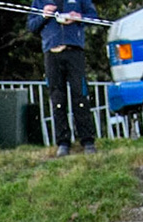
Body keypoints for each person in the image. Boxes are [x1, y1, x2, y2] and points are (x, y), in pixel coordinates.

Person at [30, 0, 99, 156]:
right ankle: (63, 142)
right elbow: (32, 26)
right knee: (57, 98)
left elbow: (93, 17)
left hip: (74, 51)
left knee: (80, 95)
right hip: (52, 53)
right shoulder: (39, 1)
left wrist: (78, 17)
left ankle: (87, 141)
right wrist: (44, 15)